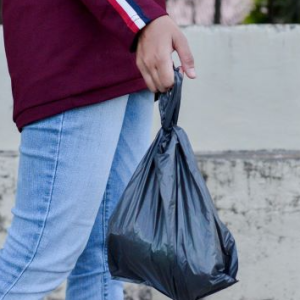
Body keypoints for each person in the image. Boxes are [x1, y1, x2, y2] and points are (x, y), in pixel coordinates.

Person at [0, 0, 196, 299]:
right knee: (39, 258)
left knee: (106, 258)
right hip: (73, 52)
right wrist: (142, 16)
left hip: (126, 55)